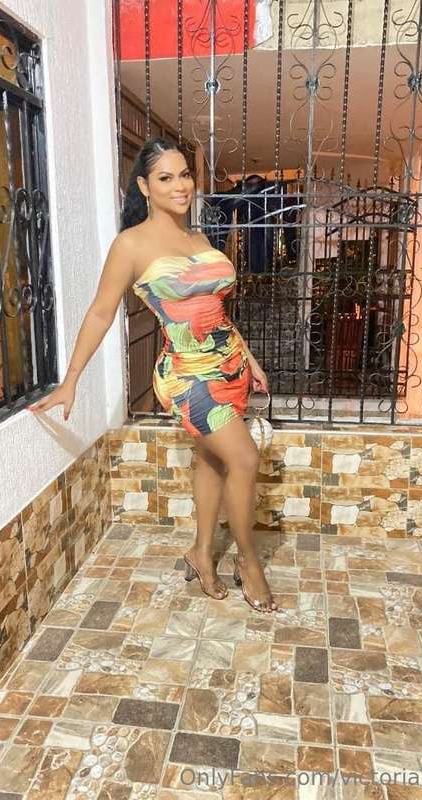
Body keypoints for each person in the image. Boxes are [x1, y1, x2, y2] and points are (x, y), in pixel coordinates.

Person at [28, 137, 278, 613]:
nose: (180, 185)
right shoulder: (131, 244)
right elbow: (101, 312)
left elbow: (216, 312)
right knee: (244, 457)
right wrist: (71, 378)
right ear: (144, 186)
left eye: (184, 175)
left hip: (229, 366)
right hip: (187, 375)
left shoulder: (201, 240)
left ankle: (201, 553)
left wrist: (249, 359)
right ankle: (249, 563)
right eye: (166, 177)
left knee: (213, 459)